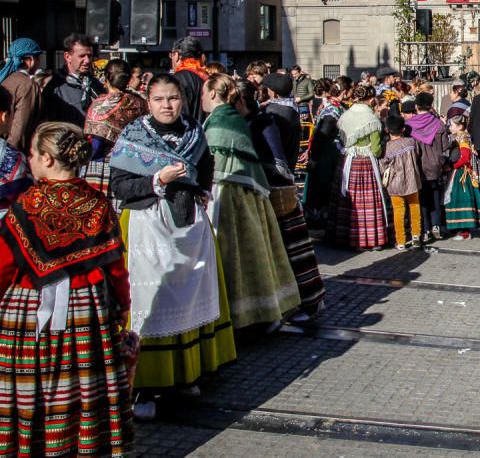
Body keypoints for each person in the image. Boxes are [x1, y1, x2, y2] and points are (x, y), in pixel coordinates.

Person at [0, 122, 133, 455]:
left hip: (28, 309)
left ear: (46, 158)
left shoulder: (24, 206)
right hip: (86, 307)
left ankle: (29, 445)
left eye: (31, 153)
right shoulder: (98, 204)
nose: (28, 159)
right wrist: (122, 306)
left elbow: (3, 265)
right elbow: (115, 267)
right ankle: (80, 447)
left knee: (32, 383)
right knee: (81, 384)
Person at [109, 74, 236, 420]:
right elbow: (119, 185)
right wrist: (157, 180)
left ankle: (185, 373)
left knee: (189, 298)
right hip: (148, 227)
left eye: (173, 98)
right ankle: (146, 383)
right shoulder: (133, 136)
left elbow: (206, 164)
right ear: (148, 102)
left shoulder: (194, 132)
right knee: (150, 300)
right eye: (160, 99)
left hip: (189, 227)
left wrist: (202, 189)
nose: (167, 105)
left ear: (183, 100)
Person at [202, 74, 301, 330]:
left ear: (213, 93)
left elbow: (212, 162)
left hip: (229, 198)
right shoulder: (232, 118)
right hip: (248, 195)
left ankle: (242, 315)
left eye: (204, 92)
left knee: (236, 257)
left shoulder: (222, 120)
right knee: (257, 255)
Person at [237, 79, 326, 323]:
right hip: (272, 188)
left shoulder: (270, 117)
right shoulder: (280, 111)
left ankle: (306, 302)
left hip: (275, 190)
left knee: (291, 251)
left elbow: (278, 161)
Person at [83, 59, 148, 196]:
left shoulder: (99, 105)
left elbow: (96, 145)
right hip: (130, 165)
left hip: (101, 166)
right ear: (129, 78)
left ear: (106, 78)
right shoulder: (141, 102)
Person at [336, 84, 388, 250]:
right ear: (371, 99)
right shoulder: (371, 119)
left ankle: (346, 235)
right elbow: (376, 149)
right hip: (365, 162)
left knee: (348, 199)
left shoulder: (345, 115)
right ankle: (370, 238)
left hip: (348, 161)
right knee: (367, 202)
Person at [303, 78, 346, 224]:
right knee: (322, 184)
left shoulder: (332, 107)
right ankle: (319, 217)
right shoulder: (332, 110)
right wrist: (314, 156)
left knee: (324, 184)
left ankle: (321, 215)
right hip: (325, 151)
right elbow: (323, 133)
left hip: (326, 149)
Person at [42, 33, 106, 127]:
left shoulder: (96, 85)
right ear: (68, 57)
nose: (87, 60)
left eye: (89, 55)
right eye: (82, 56)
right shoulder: (55, 88)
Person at [443, 115, 480, 240]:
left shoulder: (463, 138)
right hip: (457, 172)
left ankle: (465, 231)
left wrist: (453, 166)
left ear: (460, 126)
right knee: (453, 199)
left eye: (452, 125)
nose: (450, 127)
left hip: (461, 173)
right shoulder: (457, 137)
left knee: (461, 199)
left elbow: (465, 157)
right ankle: (457, 228)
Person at [411, 91, 449, 240]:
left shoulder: (409, 126)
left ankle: (425, 229)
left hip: (418, 166)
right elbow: (445, 146)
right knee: (435, 195)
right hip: (435, 165)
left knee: (421, 198)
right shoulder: (438, 124)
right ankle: (436, 226)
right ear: (431, 105)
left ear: (416, 106)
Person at [382, 114, 423, 250]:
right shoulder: (411, 142)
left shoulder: (387, 147)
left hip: (395, 183)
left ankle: (400, 241)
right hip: (412, 180)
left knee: (398, 211)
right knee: (414, 206)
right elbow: (417, 155)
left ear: (387, 130)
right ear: (403, 129)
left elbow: (383, 166)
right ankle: (416, 235)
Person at [0, 37, 43, 154]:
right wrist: (9, 158)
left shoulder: (5, 81)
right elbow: (20, 128)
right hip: (13, 154)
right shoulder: (27, 85)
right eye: (38, 58)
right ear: (30, 60)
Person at [169, 36, 208, 121]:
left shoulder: (179, 78)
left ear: (177, 55)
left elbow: (180, 115)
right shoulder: (207, 77)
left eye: (171, 55)